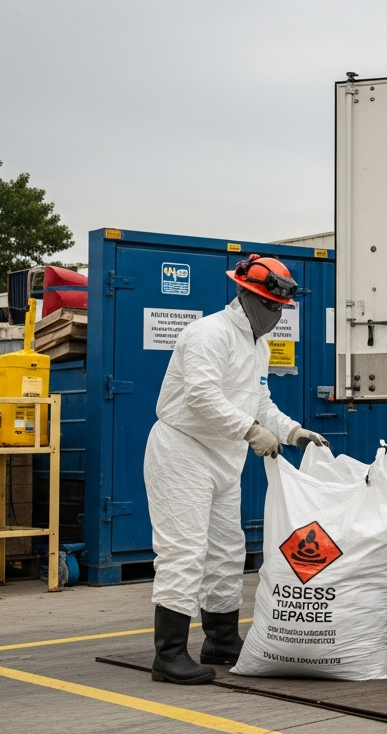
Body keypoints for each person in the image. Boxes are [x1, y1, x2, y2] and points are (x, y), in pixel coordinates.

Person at [144, 254, 330, 685]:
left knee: (227, 551)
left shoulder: (256, 345)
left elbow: (260, 402)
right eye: (272, 306)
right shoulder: (209, 334)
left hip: (224, 456)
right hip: (183, 451)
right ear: (247, 296)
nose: (277, 316)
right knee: (184, 551)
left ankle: (221, 640)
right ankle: (168, 655)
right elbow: (201, 397)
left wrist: (293, 432)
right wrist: (250, 430)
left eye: (282, 309)